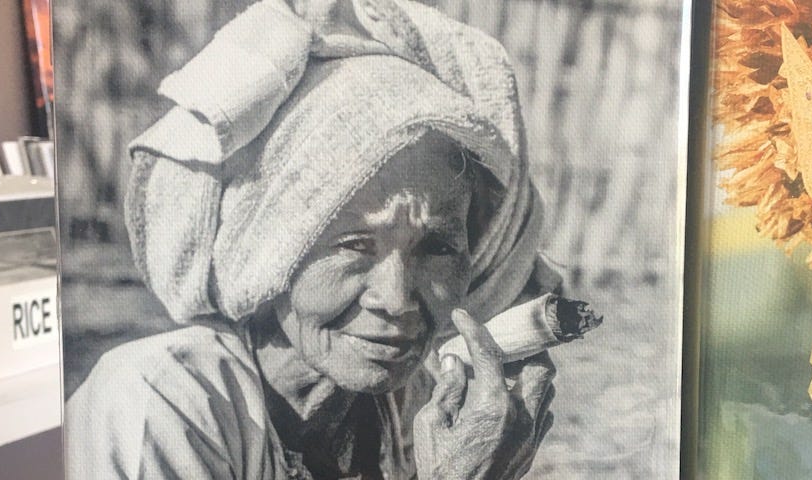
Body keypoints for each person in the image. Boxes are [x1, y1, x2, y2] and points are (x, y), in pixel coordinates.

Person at [66, 1, 574, 478]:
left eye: (438, 247)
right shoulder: (161, 404)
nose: (397, 299)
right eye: (354, 245)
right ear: (271, 254)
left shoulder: (420, 409)